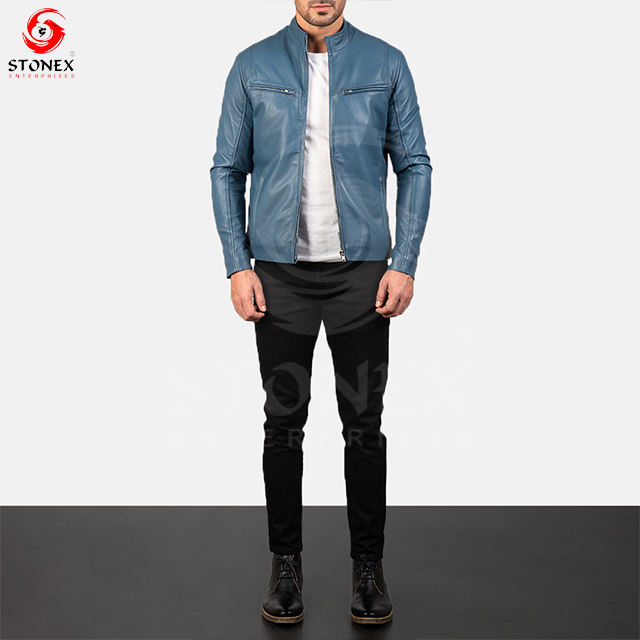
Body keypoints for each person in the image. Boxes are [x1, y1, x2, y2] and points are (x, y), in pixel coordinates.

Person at [209, 0, 432, 625]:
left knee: (364, 424)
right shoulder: (252, 65)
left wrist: (404, 261)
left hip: (362, 274)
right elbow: (227, 169)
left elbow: (415, 164)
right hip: (279, 275)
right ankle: (285, 565)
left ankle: (369, 567)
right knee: (283, 423)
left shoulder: (386, 63)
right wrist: (238, 264)